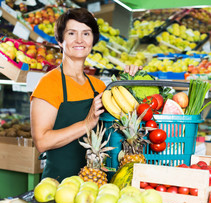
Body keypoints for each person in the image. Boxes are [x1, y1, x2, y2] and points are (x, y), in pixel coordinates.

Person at [30, 8, 140, 182]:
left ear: (93, 41)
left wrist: (130, 82)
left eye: (86, 34)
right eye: (72, 33)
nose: (79, 40)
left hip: (96, 183)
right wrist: (86, 123)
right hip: (58, 186)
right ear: (60, 40)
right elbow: (42, 142)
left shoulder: (98, 86)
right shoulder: (49, 83)